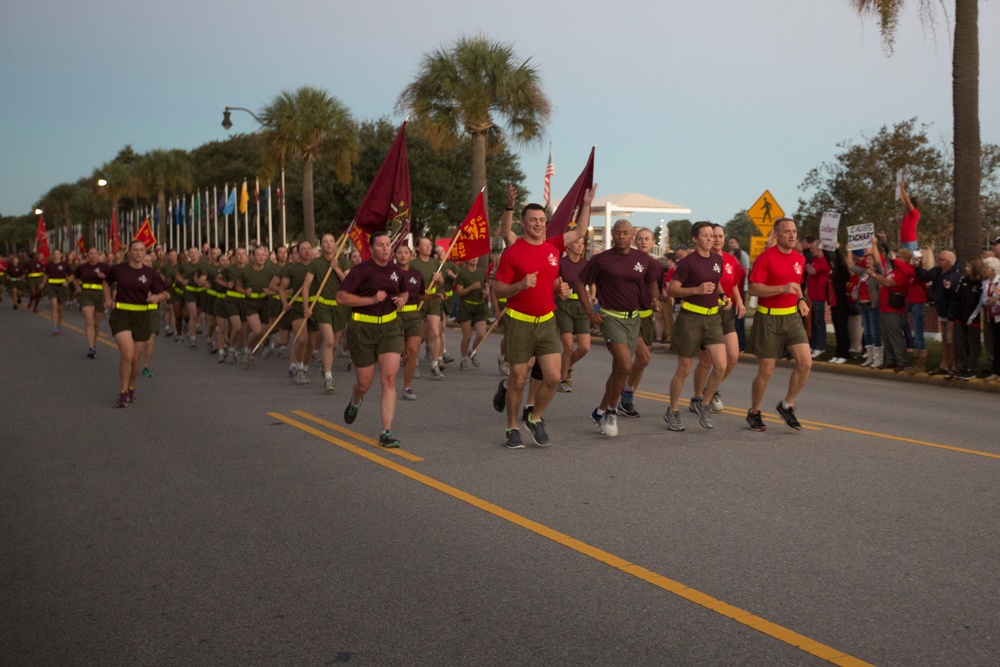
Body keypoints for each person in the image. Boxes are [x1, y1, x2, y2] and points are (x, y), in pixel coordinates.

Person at [492, 185, 596, 448]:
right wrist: (519, 286)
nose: (538, 224)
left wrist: (587, 204)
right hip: (519, 322)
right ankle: (512, 427)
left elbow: (581, 232)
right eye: (533, 220)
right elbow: (498, 288)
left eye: (542, 220)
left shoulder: (553, 247)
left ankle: (534, 417)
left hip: (547, 321)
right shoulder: (513, 251)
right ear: (523, 223)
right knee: (517, 378)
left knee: (553, 377)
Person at [575, 219, 660, 435]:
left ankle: (600, 410)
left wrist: (655, 298)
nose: (621, 236)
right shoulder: (601, 260)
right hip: (610, 318)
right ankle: (612, 411)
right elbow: (579, 283)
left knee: (619, 372)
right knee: (625, 365)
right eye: (618, 232)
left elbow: (651, 282)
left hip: (634, 319)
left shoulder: (642, 259)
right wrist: (590, 313)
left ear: (632, 235)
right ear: (612, 234)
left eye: (625, 232)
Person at [336, 231, 408, 448]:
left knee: (389, 378)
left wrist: (401, 300)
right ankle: (356, 399)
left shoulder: (396, 270)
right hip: (362, 328)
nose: (386, 249)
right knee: (364, 383)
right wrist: (371, 299)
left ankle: (386, 431)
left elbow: (404, 292)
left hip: (390, 327)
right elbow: (341, 297)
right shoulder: (360, 271)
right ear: (372, 248)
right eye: (381, 245)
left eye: (389, 244)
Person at [745, 218, 812, 432]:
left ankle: (787, 405)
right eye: (787, 232)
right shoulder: (765, 258)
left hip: (791, 317)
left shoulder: (799, 259)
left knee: (805, 363)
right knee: (766, 370)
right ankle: (755, 411)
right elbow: (754, 289)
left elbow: (796, 284)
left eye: (794, 232)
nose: (792, 236)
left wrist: (800, 299)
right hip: (768, 318)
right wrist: (781, 289)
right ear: (776, 235)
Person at [662, 221, 727, 431]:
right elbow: (672, 290)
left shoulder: (718, 259)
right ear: (695, 239)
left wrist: (722, 295)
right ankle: (672, 411)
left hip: (713, 318)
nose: (710, 239)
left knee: (721, 365)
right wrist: (696, 290)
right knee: (684, 369)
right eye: (706, 235)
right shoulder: (687, 263)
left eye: (712, 235)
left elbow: (716, 284)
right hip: (690, 318)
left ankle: (704, 404)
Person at [102, 240, 169, 408]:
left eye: (142, 250)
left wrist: (156, 298)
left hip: (142, 316)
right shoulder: (118, 270)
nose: (138, 253)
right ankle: (123, 391)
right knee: (127, 354)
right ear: (129, 252)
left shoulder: (151, 273)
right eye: (135, 250)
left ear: (145, 253)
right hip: (122, 314)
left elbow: (163, 294)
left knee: (136, 358)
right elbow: (105, 282)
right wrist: (108, 298)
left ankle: (131, 387)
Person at [689, 223, 745, 412]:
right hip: (707, 311)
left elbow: (734, 285)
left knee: (733, 356)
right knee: (706, 360)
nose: (717, 239)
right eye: (714, 236)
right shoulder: (702, 259)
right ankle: (697, 398)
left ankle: (711, 390)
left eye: (721, 236)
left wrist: (740, 302)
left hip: (726, 311)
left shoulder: (730, 260)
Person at [617, 227, 666, 417]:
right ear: (634, 242)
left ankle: (627, 395)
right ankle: (623, 393)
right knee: (643, 358)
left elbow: (657, 291)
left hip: (647, 317)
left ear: (653, 243)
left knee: (640, 361)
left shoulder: (656, 265)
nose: (644, 242)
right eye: (640, 239)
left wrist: (660, 301)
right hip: (629, 316)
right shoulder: (628, 261)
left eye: (647, 239)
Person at [302, 234, 351, 391]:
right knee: (328, 341)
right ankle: (329, 377)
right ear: (321, 245)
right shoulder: (316, 263)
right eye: (325, 242)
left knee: (335, 343)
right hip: (322, 306)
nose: (329, 244)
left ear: (335, 244)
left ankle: (325, 367)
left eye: (331, 241)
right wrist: (306, 307)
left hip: (339, 306)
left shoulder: (343, 261)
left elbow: (349, 283)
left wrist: (336, 268)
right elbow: (306, 286)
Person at [555, 235, 592, 392]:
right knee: (568, 346)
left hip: (581, 304)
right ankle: (562, 379)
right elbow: (555, 281)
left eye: (582, 243)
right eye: (576, 242)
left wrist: (592, 298)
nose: (579, 246)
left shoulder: (586, 264)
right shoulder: (561, 263)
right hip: (564, 304)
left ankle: (567, 366)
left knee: (584, 347)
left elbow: (590, 284)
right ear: (568, 246)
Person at [868, 246, 914, 371]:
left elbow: (888, 283)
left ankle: (902, 360)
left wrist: (873, 275)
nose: (896, 259)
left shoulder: (904, 273)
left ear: (904, 259)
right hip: (885, 307)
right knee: (886, 335)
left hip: (894, 308)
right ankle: (890, 359)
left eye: (898, 257)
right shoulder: (894, 271)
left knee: (895, 334)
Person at [410, 237, 447, 379]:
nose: (428, 247)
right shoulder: (414, 264)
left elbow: (442, 283)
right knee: (417, 335)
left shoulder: (435, 263)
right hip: (419, 300)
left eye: (429, 245)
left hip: (434, 300)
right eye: (424, 245)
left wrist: (439, 279)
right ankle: (415, 363)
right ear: (418, 248)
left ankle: (435, 364)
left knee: (436, 333)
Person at [395, 243, 426, 400]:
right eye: (399, 252)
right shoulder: (390, 273)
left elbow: (421, 295)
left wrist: (435, 296)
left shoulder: (417, 274)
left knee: (413, 351)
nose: (402, 255)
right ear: (395, 256)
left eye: (405, 252)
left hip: (413, 315)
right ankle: (388, 384)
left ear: (411, 255)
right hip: (394, 317)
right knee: (397, 356)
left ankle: (407, 387)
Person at [74, 248, 110, 358]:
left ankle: (93, 343)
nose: (93, 256)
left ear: (98, 255)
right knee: (89, 321)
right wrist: (78, 287)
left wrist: (105, 277)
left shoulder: (104, 267)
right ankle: (91, 347)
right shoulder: (82, 267)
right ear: (87, 255)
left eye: (96, 253)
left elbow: (110, 282)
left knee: (96, 322)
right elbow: (75, 278)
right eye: (91, 253)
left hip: (100, 295)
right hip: (86, 294)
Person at [952, 258, 984, 380]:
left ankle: (971, 368)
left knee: (972, 343)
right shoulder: (963, 281)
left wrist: (972, 316)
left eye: (969, 266)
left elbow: (980, 302)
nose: (966, 268)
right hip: (960, 317)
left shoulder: (980, 283)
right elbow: (956, 297)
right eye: (966, 266)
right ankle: (963, 366)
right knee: (960, 342)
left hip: (973, 318)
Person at [455, 255, 489, 370]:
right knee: (467, 336)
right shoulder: (462, 274)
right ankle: (463, 359)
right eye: (471, 256)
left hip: (479, 306)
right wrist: (471, 287)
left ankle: (472, 351)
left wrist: (486, 291)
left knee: (481, 334)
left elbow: (486, 284)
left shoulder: (481, 272)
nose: (474, 258)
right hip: (466, 306)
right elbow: (459, 292)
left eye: (476, 256)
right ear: (467, 259)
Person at [804, 244, 831, 358]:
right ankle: (813, 345)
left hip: (820, 296)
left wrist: (805, 264)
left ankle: (820, 346)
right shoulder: (815, 260)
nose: (811, 249)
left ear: (820, 249)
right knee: (812, 322)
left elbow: (812, 271)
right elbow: (810, 276)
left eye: (814, 247)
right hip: (812, 296)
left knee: (819, 323)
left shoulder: (823, 261)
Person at [43, 249, 75, 334]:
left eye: (58, 254)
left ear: (61, 255)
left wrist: (67, 282)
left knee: (60, 307)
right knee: (54, 305)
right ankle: (55, 326)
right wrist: (43, 284)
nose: (56, 255)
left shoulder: (65, 265)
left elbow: (71, 275)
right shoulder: (49, 265)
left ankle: (59, 322)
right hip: (51, 287)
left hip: (61, 288)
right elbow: (46, 275)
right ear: (52, 255)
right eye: (55, 254)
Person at [980, 256, 1000, 382]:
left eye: (986, 268)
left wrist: (996, 301)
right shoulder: (986, 283)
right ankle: (996, 371)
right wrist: (988, 300)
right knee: (996, 345)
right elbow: (983, 298)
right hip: (991, 316)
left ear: (993, 269)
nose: (984, 270)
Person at [898, 181, 920, 251]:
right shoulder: (908, 213)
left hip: (910, 242)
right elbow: (902, 199)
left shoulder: (915, 213)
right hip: (905, 241)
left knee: (912, 261)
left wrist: (902, 188)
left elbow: (907, 201)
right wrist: (898, 188)